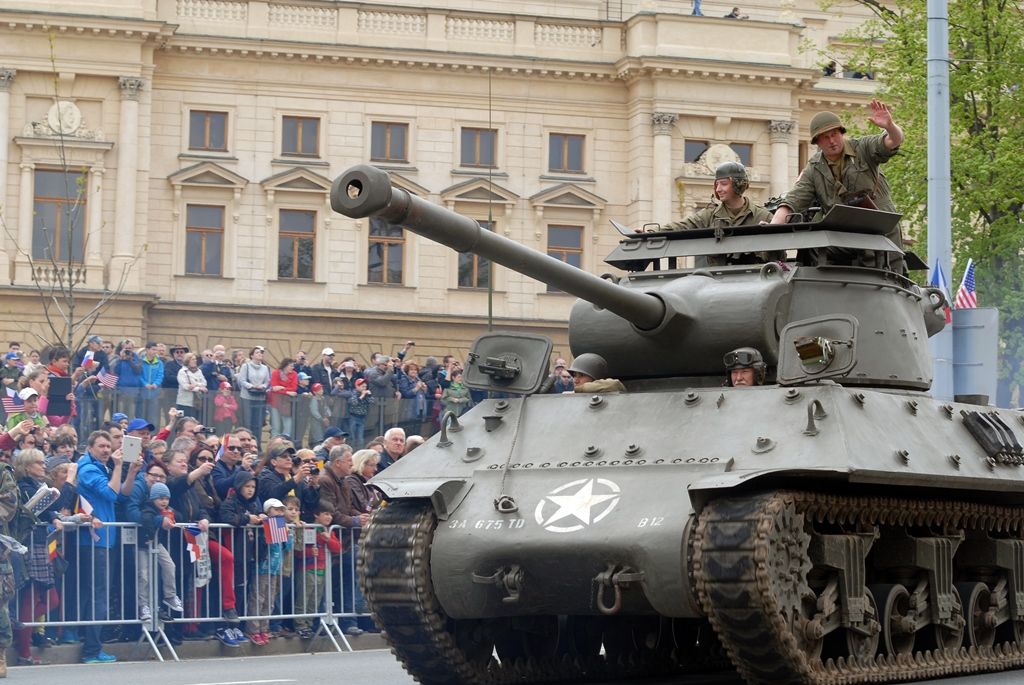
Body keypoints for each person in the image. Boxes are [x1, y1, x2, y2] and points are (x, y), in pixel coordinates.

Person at [770, 100, 905, 272]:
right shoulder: (814, 168)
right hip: (847, 239)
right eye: (825, 137)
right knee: (811, 246)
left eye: (835, 134)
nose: (832, 141)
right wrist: (773, 226)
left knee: (888, 283)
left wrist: (890, 126)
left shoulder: (863, 149)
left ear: (841, 133)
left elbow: (893, 140)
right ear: (817, 142)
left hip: (881, 236)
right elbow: (793, 201)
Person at [75, 430, 122, 664]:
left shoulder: (100, 468)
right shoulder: (88, 468)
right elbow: (111, 493)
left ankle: (92, 646)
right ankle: (91, 650)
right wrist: (120, 466)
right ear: (90, 447)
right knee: (98, 595)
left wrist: (129, 470)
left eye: (108, 446)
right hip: (94, 541)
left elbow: (120, 494)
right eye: (101, 446)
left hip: (104, 539)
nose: (106, 450)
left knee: (97, 593)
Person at [246, 498, 292, 646]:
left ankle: (264, 628)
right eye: (276, 509)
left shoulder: (280, 526)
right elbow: (263, 543)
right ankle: (253, 629)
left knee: (269, 601)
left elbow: (285, 547)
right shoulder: (263, 524)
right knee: (257, 599)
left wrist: (288, 534)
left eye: (281, 510)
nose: (279, 512)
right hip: (262, 567)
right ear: (268, 511)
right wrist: (265, 522)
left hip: (274, 569)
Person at [136, 481, 184, 623]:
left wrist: (170, 515)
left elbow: (180, 517)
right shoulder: (148, 508)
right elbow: (146, 518)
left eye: (166, 499)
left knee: (170, 565)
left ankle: (170, 596)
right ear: (153, 499)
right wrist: (150, 535)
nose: (164, 502)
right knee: (143, 575)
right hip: (143, 544)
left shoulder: (166, 509)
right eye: (160, 498)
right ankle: (143, 605)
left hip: (157, 543)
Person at [293, 502, 340, 639]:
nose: (329, 517)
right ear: (316, 515)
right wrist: (309, 552)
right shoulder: (309, 529)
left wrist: (328, 539)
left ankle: (309, 624)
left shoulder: (330, 531)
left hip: (322, 570)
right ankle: (300, 625)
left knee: (315, 600)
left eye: (331, 514)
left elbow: (338, 548)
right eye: (326, 514)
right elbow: (299, 551)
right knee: (303, 598)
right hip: (307, 569)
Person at [236, 346, 271, 447]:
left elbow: (267, 381)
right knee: (248, 422)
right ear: (252, 355)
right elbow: (242, 380)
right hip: (247, 397)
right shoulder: (246, 366)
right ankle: (246, 445)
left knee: (258, 423)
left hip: (260, 397)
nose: (260, 354)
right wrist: (252, 386)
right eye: (257, 352)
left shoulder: (265, 368)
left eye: (261, 353)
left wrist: (262, 386)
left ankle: (256, 445)